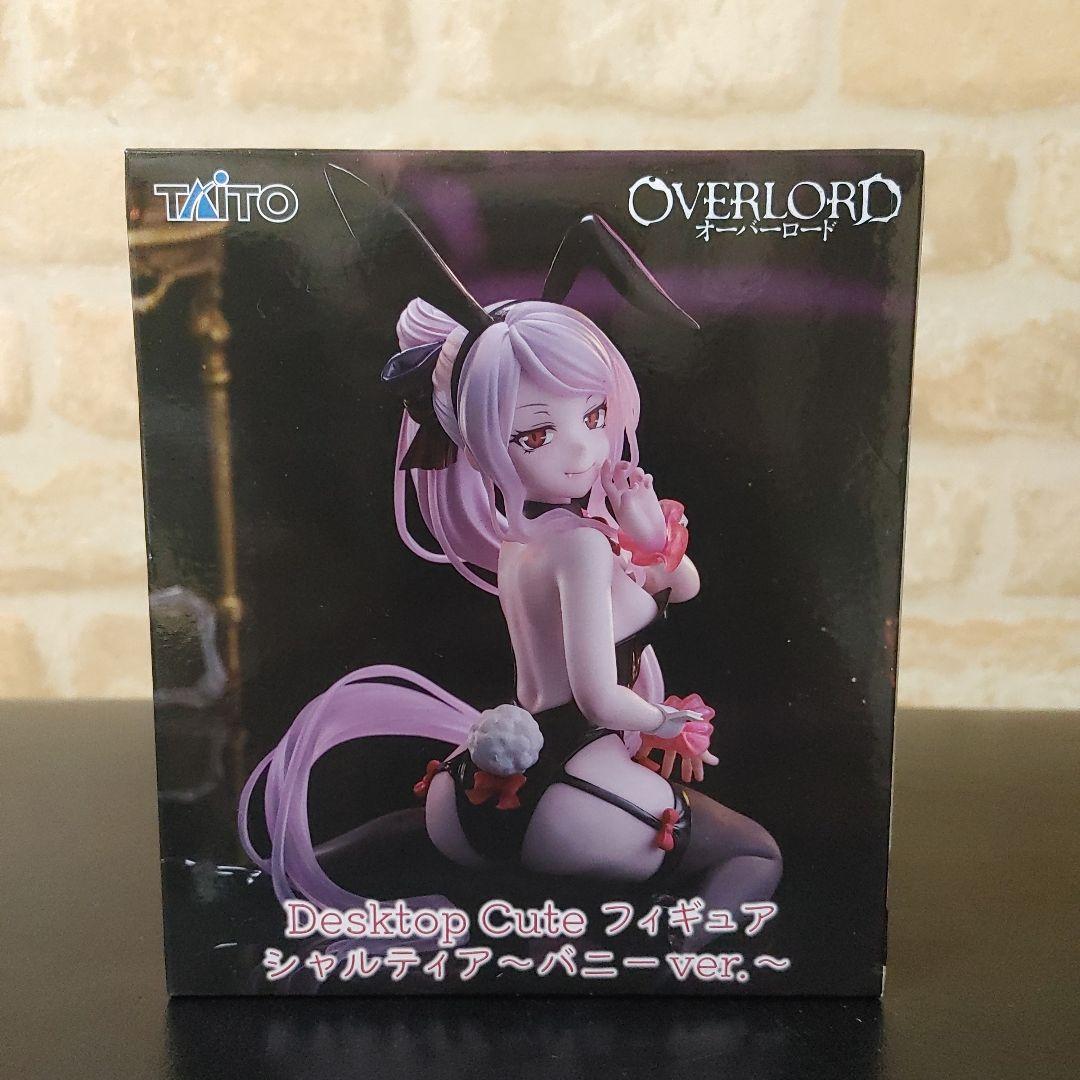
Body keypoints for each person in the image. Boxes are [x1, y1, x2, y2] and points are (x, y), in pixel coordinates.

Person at [238, 169, 781, 953]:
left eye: (593, 415)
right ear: (484, 445)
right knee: (755, 854)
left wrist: (641, 527)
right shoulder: (581, 547)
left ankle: (268, 884)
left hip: (483, 791)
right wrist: (670, 719)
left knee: (411, 834)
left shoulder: (522, 540)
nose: (583, 449)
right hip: (578, 783)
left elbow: (679, 584)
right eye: (535, 434)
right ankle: (668, 975)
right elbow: (598, 696)